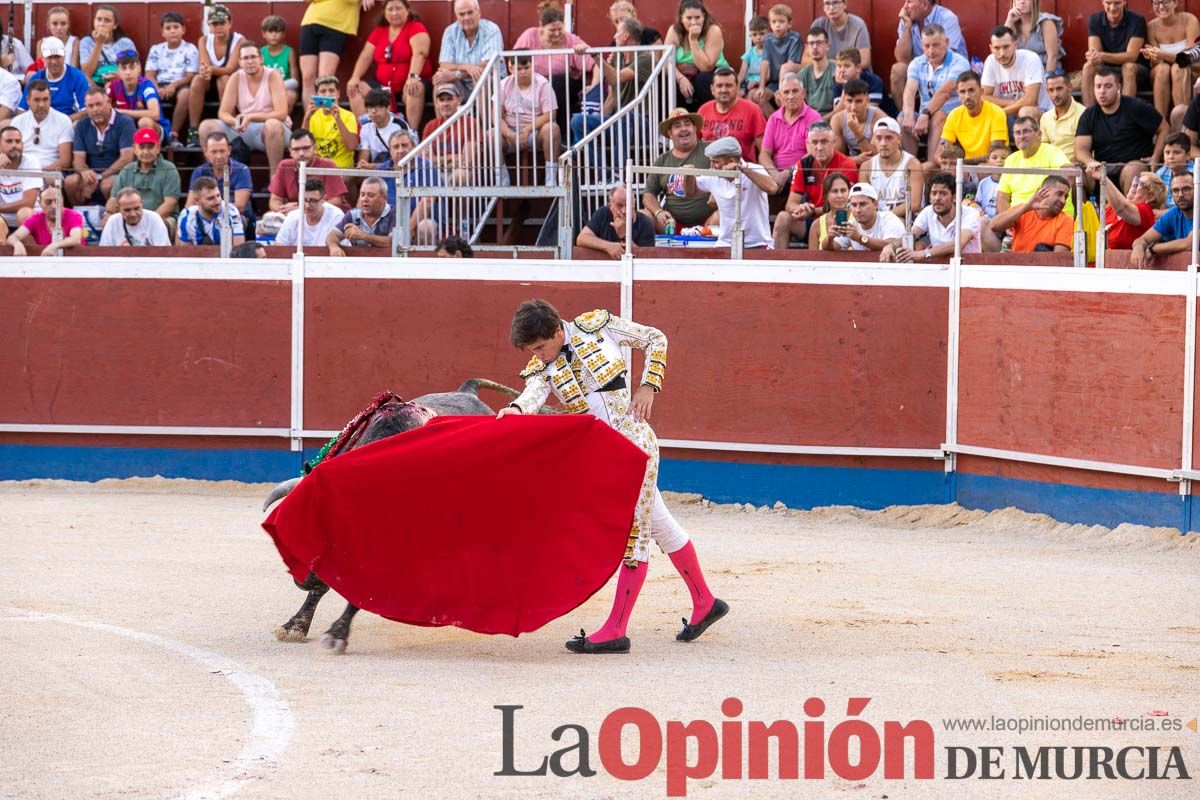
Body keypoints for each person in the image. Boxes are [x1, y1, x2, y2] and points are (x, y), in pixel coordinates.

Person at [498, 299, 728, 654]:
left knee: (635, 534)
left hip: (636, 446)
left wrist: (649, 385)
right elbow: (533, 395)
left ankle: (616, 629)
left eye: (541, 347)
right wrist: (515, 409)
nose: (538, 356)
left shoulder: (598, 326)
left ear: (558, 330)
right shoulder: (542, 367)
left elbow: (655, 338)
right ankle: (705, 603)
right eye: (531, 351)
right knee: (660, 525)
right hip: (604, 456)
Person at [200, 41, 289, 172]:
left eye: (253, 57)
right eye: (245, 58)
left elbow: (281, 113)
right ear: (240, 62)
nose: (250, 61)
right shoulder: (236, 77)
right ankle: (215, 176)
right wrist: (235, 121)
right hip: (243, 128)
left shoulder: (272, 75)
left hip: (271, 130)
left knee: (273, 125)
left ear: (261, 59)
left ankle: (275, 179)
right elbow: (223, 112)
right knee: (205, 126)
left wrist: (251, 116)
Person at [1076, 66, 1166, 193]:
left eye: (1107, 86)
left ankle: (1130, 212)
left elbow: (1164, 128)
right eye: (1098, 86)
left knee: (1132, 170)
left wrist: (1155, 157)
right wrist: (1090, 162)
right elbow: (1080, 150)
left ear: (1118, 87)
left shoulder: (1136, 107)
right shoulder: (1089, 115)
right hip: (1103, 167)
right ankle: (1083, 213)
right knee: (1075, 174)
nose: (1102, 91)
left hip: (1133, 164)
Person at [512, 2, 595, 138]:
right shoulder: (529, 36)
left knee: (557, 82)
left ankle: (563, 135)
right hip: (534, 86)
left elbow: (594, 63)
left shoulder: (569, 39)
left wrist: (593, 85)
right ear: (541, 27)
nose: (557, 34)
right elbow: (514, 62)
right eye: (552, 30)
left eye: (560, 29)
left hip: (563, 88)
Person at [680, 136, 778, 249]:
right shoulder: (714, 175)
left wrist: (743, 170)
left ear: (731, 161)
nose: (712, 166)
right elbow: (691, 193)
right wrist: (688, 175)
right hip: (725, 243)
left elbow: (772, 188)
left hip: (758, 243)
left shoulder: (754, 169)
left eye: (715, 162)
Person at [773, 121, 859, 247]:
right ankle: (777, 264)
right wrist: (801, 209)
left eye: (824, 142)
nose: (819, 147)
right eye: (814, 142)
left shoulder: (847, 165)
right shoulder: (803, 164)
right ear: (808, 144)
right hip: (811, 219)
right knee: (783, 218)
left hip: (836, 220)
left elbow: (845, 204)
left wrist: (812, 211)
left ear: (834, 142)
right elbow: (790, 204)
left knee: (841, 214)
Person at [347, 0, 431, 126]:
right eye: (390, 9)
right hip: (383, 87)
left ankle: (411, 133)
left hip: (408, 85)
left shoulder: (416, 27)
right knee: (355, 88)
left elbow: (420, 54)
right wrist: (355, 77)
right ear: (384, 13)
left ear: (407, 10)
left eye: (398, 9)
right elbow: (365, 56)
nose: (394, 13)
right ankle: (368, 133)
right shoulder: (379, 31)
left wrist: (413, 77)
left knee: (415, 88)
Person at [899, 24, 968, 158]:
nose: (931, 51)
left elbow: (944, 93)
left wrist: (925, 113)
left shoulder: (959, 63)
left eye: (936, 45)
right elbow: (909, 90)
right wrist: (908, 115)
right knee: (902, 118)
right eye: (926, 46)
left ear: (946, 42)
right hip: (925, 116)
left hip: (952, 116)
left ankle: (932, 166)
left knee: (938, 115)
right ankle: (910, 167)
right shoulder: (917, 63)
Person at [494, 52, 561, 188]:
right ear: (510, 68)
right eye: (519, 69)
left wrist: (528, 129)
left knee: (552, 129)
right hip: (510, 134)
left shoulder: (543, 84)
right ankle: (502, 178)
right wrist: (509, 134)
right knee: (490, 135)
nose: (523, 72)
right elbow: (496, 116)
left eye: (527, 68)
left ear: (533, 66)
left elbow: (550, 114)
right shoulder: (503, 85)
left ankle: (551, 179)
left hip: (535, 133)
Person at [642, 108, 715, 233]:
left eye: (687, 124)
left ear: (695, 128)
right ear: (670, 133)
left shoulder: (712, 150)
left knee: (721, 215)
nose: (683, 129)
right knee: (643, 215)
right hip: (671, 225)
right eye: (677, 126)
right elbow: (648, 194)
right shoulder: (662, 161)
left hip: (710, 223)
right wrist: (658, 212)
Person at [882, 172, 981, 261]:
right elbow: (911, 235)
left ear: (955, 197)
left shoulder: (970, 214)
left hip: (969, 268)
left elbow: (959, 243)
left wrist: (923, 254)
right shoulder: (928, 211)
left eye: (943, 193)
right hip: (940, 268)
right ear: (929, 198)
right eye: (934, 193)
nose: (937, 198)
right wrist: (891, 246)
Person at [186, 5, 244, 148]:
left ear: (230, 23)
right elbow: (205, 66)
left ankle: (229, 127)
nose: (218, 27)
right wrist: (206, 71)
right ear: (209, 25)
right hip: (208, 83)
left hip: (232, 82)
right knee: (197, 79)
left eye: (222, 23)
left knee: (224, 80)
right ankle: (193, 130)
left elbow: (230, 68)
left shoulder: (239, 41)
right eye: (214, 24)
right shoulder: (204, 40)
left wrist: (208, 70)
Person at [64, 87, 134, 206]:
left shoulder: (125, 122)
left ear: (108, 102)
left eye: (98, 104)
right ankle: (80, 217)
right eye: (90, 106)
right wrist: (85, 172)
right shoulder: (82, 125)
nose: (95, 110)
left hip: (116, 174)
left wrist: (100, 177)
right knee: (71, 182)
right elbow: (78, 160)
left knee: (107, 184)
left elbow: (126, 159)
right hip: (92, 175)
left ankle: (111, 216)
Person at [299, 0, 375, 106]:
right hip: (310, 21)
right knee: (307, 78)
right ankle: (311, 120)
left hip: (336, 25)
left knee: (325, 79)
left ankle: (325, 120)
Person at [891, 0, 967, 105]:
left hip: (947, 69)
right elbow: (902, 58)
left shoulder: (947, 18)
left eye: (910, 2)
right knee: (898, 70)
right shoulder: (906, 20)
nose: (904, 7)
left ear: (925, 5)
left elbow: (944, 56)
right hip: (922, 68)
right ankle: (904, 114)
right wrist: (907, 27)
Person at [108, 127, 180, 236]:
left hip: (162, 218)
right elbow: (113, 199)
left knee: (163, 224)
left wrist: (147, 223)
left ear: (158, 148)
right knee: (111, 223)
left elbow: (170, 203)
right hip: (129, 217)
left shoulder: (169, 168)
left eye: (150, 147)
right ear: (135, 149)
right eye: (141, 147)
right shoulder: (127, 169)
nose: (146, 151)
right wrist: (108, 213)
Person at [996, 116, 1071, 215]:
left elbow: (1068, 173)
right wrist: (1006, 221)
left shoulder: (1052, 152)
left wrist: (1046, 205)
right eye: (1017, 133)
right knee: (986, 224)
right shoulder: (1011, 159)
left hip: (1047, 214)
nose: (1021, 136)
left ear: (1039, 134)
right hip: (1017, 218)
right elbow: (1002, 197)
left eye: (1026, 131)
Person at [759, 72, 821, 190]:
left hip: (804, 175)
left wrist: (788, 173)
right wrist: (775, 174)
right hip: (776, 177)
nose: (791, 96)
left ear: (803, 93)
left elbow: (813, 153)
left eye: (795, 91)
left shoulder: (814, 118)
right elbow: (764, 154)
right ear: (780, 96)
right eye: (786, 92)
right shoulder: (774, 119)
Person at [145, 12, 200, 147]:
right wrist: (157, 88)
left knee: (185, 94)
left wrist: (173, 86)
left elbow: (190, 75)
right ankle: (154, 133)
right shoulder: (156, 49)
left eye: (176, 27)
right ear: (162, 32)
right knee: (148, 92)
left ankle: (173, 134)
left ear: (183, 30)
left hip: (181, 83)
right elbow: (149, 74)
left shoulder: (190, 49)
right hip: (159, 84)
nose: (172, 31)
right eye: (168, 28)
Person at [665, 0, 730, 112]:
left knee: (703, 79)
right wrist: (680, 78)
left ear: (704, 16)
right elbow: (665, 62)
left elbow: (706, 67)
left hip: (712, 71)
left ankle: (708, 120)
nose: (693, 22)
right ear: (681, 18)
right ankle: (674, 123)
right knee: (667, 82)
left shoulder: (713, 30)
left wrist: (693, 40)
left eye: (697, 17)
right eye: (689, 18)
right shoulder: (674, 31)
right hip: (683, 73)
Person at [432, 0, 506, 96]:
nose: (466, 17)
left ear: (479, 13)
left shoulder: (491, 30)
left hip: (490, 84)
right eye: (462, 14)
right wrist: (467, 67)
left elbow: (488, 66)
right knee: (440, 81)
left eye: (470, 12)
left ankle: (481, 112)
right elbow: (445, 65)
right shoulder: (450, 32)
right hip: (461, 84)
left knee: (481, 78)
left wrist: (456, 74)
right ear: (457, 16)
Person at [380, 129, 440, 245]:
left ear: (414, 147)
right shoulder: (382, 170)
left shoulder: (426, 167)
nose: (401, 150)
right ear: (390, 151)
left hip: (418, 222)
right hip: (388, 221)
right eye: (396, 147)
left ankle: (425, 262)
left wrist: (409, 227)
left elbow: (428, 201)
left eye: (405, 145)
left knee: (426, 227)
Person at [1082, 0, 1148, 107]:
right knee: (1088, 67)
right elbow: (1095, 55)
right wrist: (1093, 57)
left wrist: (1102, 56)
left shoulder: (1137, 20)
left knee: (1128, 67)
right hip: (1107, 68)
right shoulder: (1094, 20)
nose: (1112, 8)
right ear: (1103, 2)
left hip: (1135, 71)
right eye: (1108, 3)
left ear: (1124, 2)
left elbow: (1132, 56)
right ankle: (1089, 116)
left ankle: (1125, 118)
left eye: (1117, 3)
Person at [1142, 0, 1199, 121]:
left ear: (1175, 3)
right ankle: (1160, 123)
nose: (1161, 7)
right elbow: (1157, 63)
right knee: (1163, 69)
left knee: (1178, 67)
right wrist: (1152, 56)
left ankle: (1183, 121)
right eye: (1156, 3)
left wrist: (1161, 54)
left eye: (1165, 2)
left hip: (1189, 70)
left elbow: (1191, 58)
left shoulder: (1189, 20)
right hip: (1162, 75)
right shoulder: (1151, 26)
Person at [269, 128, 349, 213]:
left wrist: (300, 209)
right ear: (290, 152)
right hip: (297, 219)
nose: (301, 153)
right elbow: (274, 201)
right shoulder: (284, 166)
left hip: (328, 219)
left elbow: (336, 202)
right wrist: (282, 209)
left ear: (315, 148)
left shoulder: (328, 165)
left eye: (306, 148)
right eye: (296, 149)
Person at [937, 71, 1008, 164]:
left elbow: (994, 155)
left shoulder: (996, 112)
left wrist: (961, 164)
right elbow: (939, 152)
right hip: (963, 167)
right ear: (958, 95)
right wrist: (947, 164)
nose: (967, 96)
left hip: (989, 165)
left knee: (982, 167)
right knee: (926, 168)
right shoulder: (954, 115)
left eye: (971, 90)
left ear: (981, 92)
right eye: (962, 92)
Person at [981, 25, 1049, 122]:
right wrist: (1013, 103)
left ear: (1015, 45)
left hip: (1039, 110)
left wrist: (1000, 113)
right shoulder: (990, 61)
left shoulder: (1030, 59)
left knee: (1025, 112)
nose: (1002, 53)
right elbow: (984, 97)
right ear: (991, 48)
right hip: (1008, 111)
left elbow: (1030, 100)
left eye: (1006, 47)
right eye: (997, 48)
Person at [1088, 164, 1164, 250]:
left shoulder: (1146, 212)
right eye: (1135, 181)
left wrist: (1103, 178)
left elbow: (1122, 208)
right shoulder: (1111, 207)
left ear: (1151, 197)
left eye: (1140, 184)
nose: (1134, 185)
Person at [989, 175, 1072, 252]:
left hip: (1044, 266)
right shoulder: (1024, 210)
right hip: (1018, 265)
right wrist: (1026, 207)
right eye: (1059, 194)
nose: (1063, 201)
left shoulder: (1066, 220)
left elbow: (1059, 258)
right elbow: (994, 226)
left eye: (1066, 196)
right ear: (1043, 191)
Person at [698, 67, 766, 162]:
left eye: (729, 85)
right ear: (712, 89)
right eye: (719, 86)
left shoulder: (752, 110)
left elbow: (765, 151)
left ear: (738, 87)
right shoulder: (703, 110)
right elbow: (694, 146)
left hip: (742, 172)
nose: (724, 90)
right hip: (710, 172)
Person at [186, 131, 252, 228]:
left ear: (229, 150)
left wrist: (209, 208)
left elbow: (240, 207)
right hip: (206, 216)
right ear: (205, 152)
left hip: (234, 217)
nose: (219, 156)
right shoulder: (199, 171)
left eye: (222, 151)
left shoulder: (241, 170)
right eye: (214, 152)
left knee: (238, 220)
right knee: (187, 219)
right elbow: (190, 204)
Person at [418, 83, 480, 186]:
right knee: (423, 175)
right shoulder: (430, 126)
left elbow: (466, 161)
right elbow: (427, 161)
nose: (445, 103)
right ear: (437, 103)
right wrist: (452, 157)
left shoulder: (470, 123)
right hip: (435, 173)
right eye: (442, 100)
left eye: (449, 99)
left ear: (459, 100)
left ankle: (461, 203)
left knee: (461, 174)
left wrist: (438, 161)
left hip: (460, 173)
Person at [860, 117, 921, 219]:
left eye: (889, 138)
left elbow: (914, 204)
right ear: (873, 140)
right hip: (876, 222)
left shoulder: (912, 164)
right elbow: (863, 201)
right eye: (879, 138)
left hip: (907, 221)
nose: (883, 143)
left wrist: (884, 218)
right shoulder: (866, 167)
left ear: (899, 139)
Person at [750, 4, 801, 117]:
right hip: (773, 82)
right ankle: (776, 122)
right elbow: (765, 62)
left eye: (781, 22)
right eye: (774, 22)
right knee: (759, 97)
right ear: (770, 25)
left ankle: (782, 95)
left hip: (791, 81)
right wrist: (762, 87)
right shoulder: (768, 39)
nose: (777, 25)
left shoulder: (794, 38)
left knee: (785, 67)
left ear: (789, 24)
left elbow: (791, 64)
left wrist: (782, 90)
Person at [822, 181, 904, 252]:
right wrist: (830, 238)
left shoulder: (889, 219)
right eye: (854, 205)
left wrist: (859, 238)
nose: (858, 210)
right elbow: (831, 247)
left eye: (863, 204)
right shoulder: (851, 225)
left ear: (875, 204)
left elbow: (892, 245)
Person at [577, 185, 655, 258]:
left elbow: (645, 258)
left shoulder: (646, 223)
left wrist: (625, 236)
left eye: (628, 205)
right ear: (610, 205)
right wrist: (609, 247)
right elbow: (581, 238)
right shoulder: (603, 214)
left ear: (633, 204)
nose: (624, 211)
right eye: (619, 206)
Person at [9, 81, 73, 171]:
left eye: (45, 99)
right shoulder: (17, 121)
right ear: (28, 100)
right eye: (37, 100)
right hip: (22, 171)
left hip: (51, 172)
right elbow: (9, 152)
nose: (41, 105)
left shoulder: (63, 120)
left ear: (50, 99)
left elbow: (65, 161)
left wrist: (40, 174)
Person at [20, 38, 89, 120]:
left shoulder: (77, 77)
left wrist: (61, 123)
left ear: (64, 56)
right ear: (42, 58)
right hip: (40, 122)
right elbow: (21, 110)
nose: (54, 61)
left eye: (57, 57)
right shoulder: (35, 79)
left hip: (69, 122)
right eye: (49, 57)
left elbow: (86, 111)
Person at [1131, 178, 1194, 267]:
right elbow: (1142, 239)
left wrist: (1152, 249)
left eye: (1186, 189)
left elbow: (1189, 244)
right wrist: (1138, 247)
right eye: (1175, 191)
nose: (1180, 195)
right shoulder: (1174, 213)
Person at [6, 184, 84, 256]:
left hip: (74, 261)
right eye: (48, 202)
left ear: (63, 201)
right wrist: (17, 244)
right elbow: (12, 237)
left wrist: (55, 245)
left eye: (57, 201)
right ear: (40, 204)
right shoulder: (36, 219)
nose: (53, 206)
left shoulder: (74, 216)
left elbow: (76, 239)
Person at [327, 176, 396, 255]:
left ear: (384, 198)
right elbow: (332, 236)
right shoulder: (353, 215)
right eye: (362, 195)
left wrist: (363, 236)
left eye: (370, 195)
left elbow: (394, 242)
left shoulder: (394, 214)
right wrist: (333, 247)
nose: (365, 199)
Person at [302, 75, 359, 169]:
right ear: (317, 95)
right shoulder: (312, 116)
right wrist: (306, 118)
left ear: (338, 94)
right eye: (323, 91)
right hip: (318, 169)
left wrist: (338, 119)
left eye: (331, 91)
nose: (327, 95)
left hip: (341, 169)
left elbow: (352, 146)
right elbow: (302, 145)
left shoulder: (348, 116)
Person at [108, 52, 167, 136]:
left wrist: (120, 112)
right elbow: (105, 109)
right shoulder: (114, 85)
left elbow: (155, 114)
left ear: (139, 69)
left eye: (132, 68)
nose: (128, 72)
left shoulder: (146, 85)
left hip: (155, 128)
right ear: (118, 71)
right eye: (124, 68)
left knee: (144, 122)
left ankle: (146, 148)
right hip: (127, 127)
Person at [177, 175, 246, 246]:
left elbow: (238, 248)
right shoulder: (186, 216)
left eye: (218, 195)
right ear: (197, 201)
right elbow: (185, 252)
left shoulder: (230, 210)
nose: (217, 201)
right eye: (211, 198)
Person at [274, 178, 345, 247]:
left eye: (313, 201)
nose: (307, 206)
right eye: (304, 200)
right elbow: (280, 246)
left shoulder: (336, 216)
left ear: (324, 199)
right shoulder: (293, 216)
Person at [78, 5, 136, 86]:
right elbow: (86, 73)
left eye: (107, 20)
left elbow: (135, 70)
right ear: (94, 21)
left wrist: (119, 77)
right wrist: (99, 43)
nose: (101, 24)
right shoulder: (86, 42)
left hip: (119, 83)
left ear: (115, 25)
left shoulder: (125, 43)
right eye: (99, 19)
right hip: (94, 86)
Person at [830, 78, 885, 165]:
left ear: (867, 100)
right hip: (850, 163)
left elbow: (878, 156)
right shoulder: (837, 119)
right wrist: (854, 160)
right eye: (849, 101)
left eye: (858, 101)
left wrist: (857, 132)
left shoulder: (879, 118)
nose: (853, 107)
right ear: (843, 101)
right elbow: (834, 157)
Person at [1005, 0, 1065, 77]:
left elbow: (1052, 56)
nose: (1022, 2)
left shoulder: (1045, 22)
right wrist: (1009, 22)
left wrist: (1046, 82)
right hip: (1020, 75)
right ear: (1014, 2)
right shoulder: (1012, 25)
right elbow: (1000, 50)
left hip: (1044, 73)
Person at [98, 187, 171, 246]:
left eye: (136, 209)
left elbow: (163, 251)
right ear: (118, 209)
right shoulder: (112, 221)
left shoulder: (154, 218)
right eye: (127, 210)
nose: (133, 214)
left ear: (142, 204)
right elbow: (105, 251)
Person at [813, 0, 872, 71]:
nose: (831, 7)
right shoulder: (818, 24)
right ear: (824, 8)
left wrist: (832, 64)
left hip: (855, 76)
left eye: (835, 2)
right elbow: (805, 59)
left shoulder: (858, 25)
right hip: (828, 75)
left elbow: (864, 61)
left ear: (845, 4)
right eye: (827, 3)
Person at [0, 127, 40, 230]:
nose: (14, 145)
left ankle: (28, 247)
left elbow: (28, 202)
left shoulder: (31, 162)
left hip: (26, 219)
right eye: (9, 141)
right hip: (2, 221)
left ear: (22, 145)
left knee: (24, 214)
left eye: (18, 141)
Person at [358, 88, 411, 166]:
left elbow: (402, 160)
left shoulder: (399, 125)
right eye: (370, 107)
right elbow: (363, 158)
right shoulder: (366, 128)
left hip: (398, 172)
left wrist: (372, 166)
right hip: (375, 173)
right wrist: (363, 165)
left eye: (378, 107)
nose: (373, 111)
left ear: (388, 108)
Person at [1039, 72, 1085, 159]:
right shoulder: (1045, 117)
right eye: (1051, 90)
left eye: (1059, 89)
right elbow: (1044, 149)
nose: (1055, 94)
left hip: (1075, 168)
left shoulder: (1083, 114)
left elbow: (1085, 151)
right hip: (1052, 168)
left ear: (1070, 87)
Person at [260, 15, 300, 113]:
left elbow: (295, 80)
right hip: (265, 88)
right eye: (270, 31)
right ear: (264, 33)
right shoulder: (261, 52)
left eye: (277, 31)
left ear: (283, 34)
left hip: (286, 88)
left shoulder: (289, 52)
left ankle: (283, 123)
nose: (274, 35)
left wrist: (279, 87)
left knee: (291, 95)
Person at [806, 171, 853, 249]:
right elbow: (812, 259)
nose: (840, 195)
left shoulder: (859, 219)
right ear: (825, 196)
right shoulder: (816, 225)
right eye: (834, 191)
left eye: (843, 190)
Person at [797, 28, 835, 115]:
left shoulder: (836, 71)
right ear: (807, 48)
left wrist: (822, 120)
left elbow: (842, 105)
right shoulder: (802, 75)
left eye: (819, 43)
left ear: (827, 46)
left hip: (832, 118)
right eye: (811, 43)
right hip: (809, 119)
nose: (814, 47)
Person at [1156, 132, 1194, 210]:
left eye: (1176, 152)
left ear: (1188, 155)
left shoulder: (1195, 174)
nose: (1170, 157)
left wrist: (1163, 213)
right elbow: (1159, 202)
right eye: (1167, 152)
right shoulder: (1161, 173)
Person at [739, 16, 768, 98]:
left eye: (762, 34)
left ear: (769, 33)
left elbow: (769, 74)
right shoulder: (749, 53)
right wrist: (736, 84)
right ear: (750, 36)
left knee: (751, 95)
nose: (758, 37)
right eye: (754, 35)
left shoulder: (770, 52)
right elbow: (742, 73)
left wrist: (758, 82)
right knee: (738, 95)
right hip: (748, 83)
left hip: (764, 83)